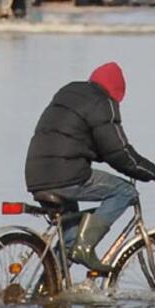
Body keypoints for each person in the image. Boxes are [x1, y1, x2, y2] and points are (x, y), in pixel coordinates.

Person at [25, 62, 155, 272]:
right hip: (67, 175)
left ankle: (48, 288)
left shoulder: (69, 92)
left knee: (68, 237)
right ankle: (85, 247)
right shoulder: (103, 102)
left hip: (36, 174)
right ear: (116, 91)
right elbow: (119, 152)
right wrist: (149, 171)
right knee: (125, 191)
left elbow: (74, 139)